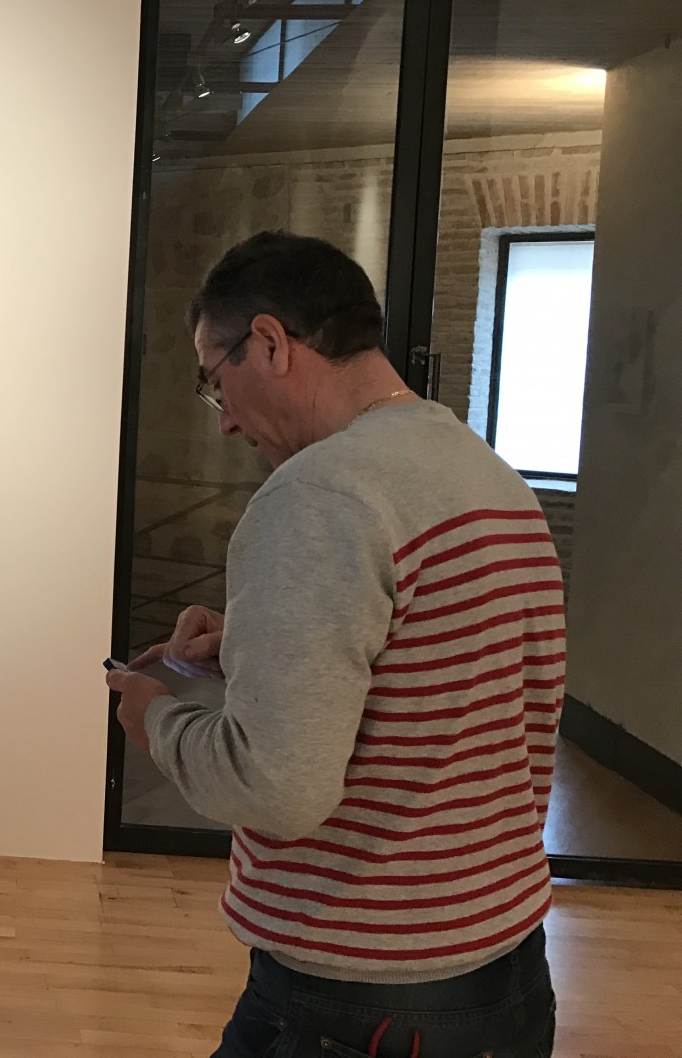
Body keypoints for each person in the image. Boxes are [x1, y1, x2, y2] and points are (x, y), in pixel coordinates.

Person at [106, 232, 563, 1058]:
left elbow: (277, 788)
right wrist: (258, 642)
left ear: (272, 343)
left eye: (216, 381)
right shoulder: (481, 470)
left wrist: (155, 722)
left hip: (361, 992)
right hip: (505, 967)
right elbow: (451, 664)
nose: (227, 423)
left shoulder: (319, 496)